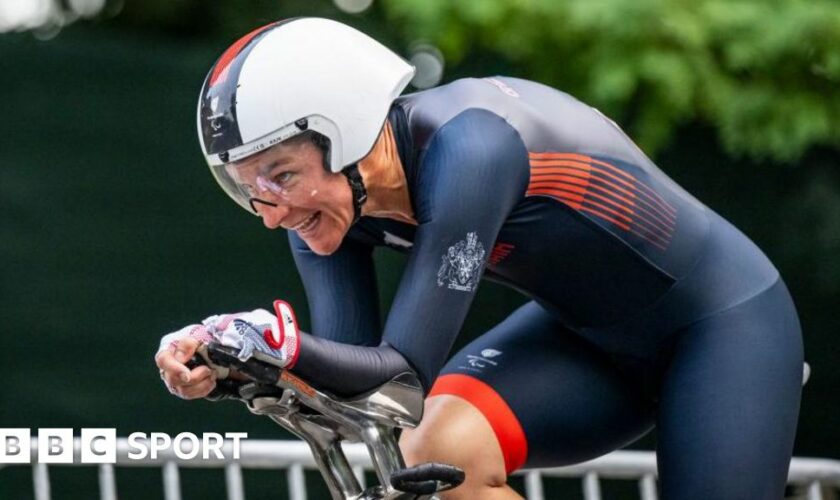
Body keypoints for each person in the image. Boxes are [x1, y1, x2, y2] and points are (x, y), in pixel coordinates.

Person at [155, 17, 804, 500]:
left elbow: (399, 372)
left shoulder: (472, 147)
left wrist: (278, 344)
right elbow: (355, 395)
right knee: (437, 455)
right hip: (587, 339)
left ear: (346, 130)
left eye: (281, 176)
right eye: (248, 188)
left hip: (722, 328)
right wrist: (228, 359)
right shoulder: (325, 206)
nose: (270, 212)